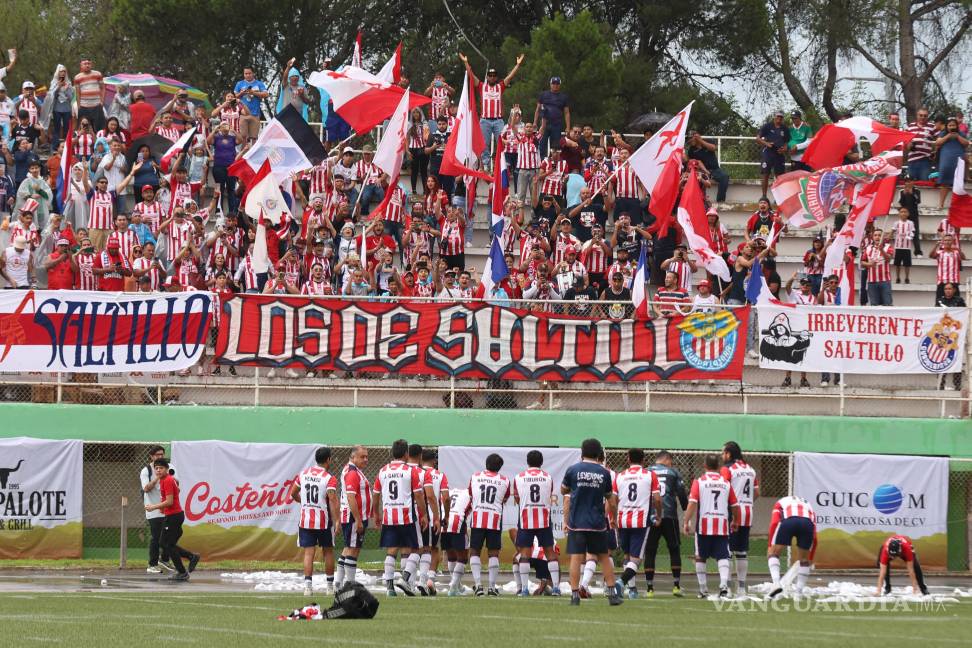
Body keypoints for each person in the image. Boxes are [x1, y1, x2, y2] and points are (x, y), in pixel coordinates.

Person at [561, 438, 623, 606]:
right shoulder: (604, 473)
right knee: (604, 557)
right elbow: (611, 499)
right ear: (598, 454)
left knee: (576, 557)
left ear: (582, 452)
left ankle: (574, 595)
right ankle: (612, 594)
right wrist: (614, 518)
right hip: (597, 523)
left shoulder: (573, 470)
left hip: (577, 522)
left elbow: (563, 490)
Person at [373, 439, 428, 597]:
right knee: (418, 548)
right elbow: (418, 495)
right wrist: (423, 515)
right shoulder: (411, 471)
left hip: (389, 515)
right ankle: (404, 579)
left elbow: (375, 495)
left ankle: (390, 588)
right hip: (406, 516)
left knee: (391, 550)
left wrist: (376, 514)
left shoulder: (383, 470)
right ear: (406, 454)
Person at [683, 453, 740, 598]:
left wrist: (686, 521)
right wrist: (736, 520)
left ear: (705, 466)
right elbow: (735, 505)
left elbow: (692, 503)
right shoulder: (726, 483)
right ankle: (723, 586)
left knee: (700, 557)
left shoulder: (699, 481)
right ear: (719, 466)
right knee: (723, 557)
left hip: (704, 525)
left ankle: (703, 589)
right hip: (721, 525)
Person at [458, 52, 525, 167]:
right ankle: (486, 165)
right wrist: (465, 62)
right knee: (484, 144)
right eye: (490, 75)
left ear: (496, 77)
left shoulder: (500, 86)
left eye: (494, 75)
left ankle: (501, 164)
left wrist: (517, 65)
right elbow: (471, 75)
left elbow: (510, 77)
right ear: (487, 77)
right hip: (485, 120)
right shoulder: (481, 86)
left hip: (498, 120)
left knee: (502, 142)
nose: (492, 77)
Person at [290, 446, 340, 596]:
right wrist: (337, 520)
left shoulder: (303, 474)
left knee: (308, 553)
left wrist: (304, 502)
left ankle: (307, 587)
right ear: (328, 460)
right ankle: (330, 587)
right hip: (323, 521)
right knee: (328, 552)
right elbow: (332, 499)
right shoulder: (329, 478)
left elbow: (293, 493)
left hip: (306, 521)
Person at [612, 449, 661, 599]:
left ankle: (632, 590)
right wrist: (659, 515)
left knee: (627, 556)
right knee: (636, 559)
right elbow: (657, 499)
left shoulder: (620, 476)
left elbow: (613, 501)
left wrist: (613, 518)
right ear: (643, 460)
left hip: (622, 520)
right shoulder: (650, 475)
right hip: (640, 521)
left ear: (628, 459)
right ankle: (621, 582)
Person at [512, 450, 560, 597]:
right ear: (541, 462)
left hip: (526, 519)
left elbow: (517, 498)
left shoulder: (519, 477)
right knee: (550, 552)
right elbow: (549, 495)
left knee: (524, 553)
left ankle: (524, 589)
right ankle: (557, 589)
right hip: (543, 519)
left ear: (527, 462)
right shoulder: (548, 477)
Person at [143, 457, 199, 581]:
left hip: (174, 516)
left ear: (167, 469)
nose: (158, 470)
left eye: (161, 468)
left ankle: (183, 569)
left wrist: (154, 507)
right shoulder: (165, 480)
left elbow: (169, 501)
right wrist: (163, 509)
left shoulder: (167, 480)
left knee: (166, 544)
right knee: (167, 544)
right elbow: (175, 493)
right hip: (173, 515)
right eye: (156, 468)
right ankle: (190, 559)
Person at [643, 451, 688, 597]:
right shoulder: (673, 472)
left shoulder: (647, 471)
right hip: (669, 515)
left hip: (652, 516)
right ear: (667, 460)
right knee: (674, 549)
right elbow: (681, 493)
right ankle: (676, 586)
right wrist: (686, 511)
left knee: (650, 551)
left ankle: (649, 588)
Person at [467, 453, 510, 597]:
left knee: (474, 551)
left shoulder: (475, 476)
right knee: (493, 553)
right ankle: (491, 587)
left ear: (486, 463)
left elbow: (471, 494)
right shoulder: (505, 480)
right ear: (499, 467)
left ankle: (478, 585)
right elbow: (504, 499)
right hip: (494, 519)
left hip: (478, 518)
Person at [720, 441, 760, 595]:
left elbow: (723, 489)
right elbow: (756, 493)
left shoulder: (727, 469)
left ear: (729, 454)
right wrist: (746, 502)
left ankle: (729, 588)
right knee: (742, 551)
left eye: (723, 453)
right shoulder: (750, 469)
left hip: (732, 512)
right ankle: (742, 588)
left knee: (728, 551)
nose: (722, 456)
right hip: (747, 512)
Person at [333, 445, 370, 590]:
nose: (365, 459)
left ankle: (338, 583)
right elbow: (350, 497)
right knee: (353, 550)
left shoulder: (352, 470)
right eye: (362, 457)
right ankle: (350, 585)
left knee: (348, 549)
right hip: (354, 517)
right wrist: (358, 519)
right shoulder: (352, 472)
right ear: (353, 457)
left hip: (352, 516)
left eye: (366, 456)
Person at [766, 495, 817, 599]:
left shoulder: (780, 502)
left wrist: (770, 545)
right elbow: (815, 534)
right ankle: (798, 593)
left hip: (789, 521)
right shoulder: (808, 505)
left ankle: (776, 584)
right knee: (804, 560)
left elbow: (774, 523)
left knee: (773, 553)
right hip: (807, 524)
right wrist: (811, 557)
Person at [139, 446, 173, 574]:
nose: (160, 457)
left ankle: (164, 559)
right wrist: (158, 476)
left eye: (162, 454)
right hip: (153, 508)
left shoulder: (170, 467)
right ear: (151, 456)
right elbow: (146, 488)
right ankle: (152, 564)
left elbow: (176, 484)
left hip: (168, 508)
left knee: (171, 535)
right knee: (156, 537)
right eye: (157, 455)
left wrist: (169, 477)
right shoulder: (146, 471)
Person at [443, 480, 472, 597]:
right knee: (463, 557)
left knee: (451, 556)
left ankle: (457, 585)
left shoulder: (450, 492)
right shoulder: (470, 495)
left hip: (445, 523)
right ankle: (454, 587)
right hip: (457, 523)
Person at [934, 117, 969, 208]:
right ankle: (941, 204)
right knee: (944, 183)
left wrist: (957, 136)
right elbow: (938, 143)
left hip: (958, 162)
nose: (952, 127)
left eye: (953, 125)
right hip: (946, 162)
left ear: (957, 126)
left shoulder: (961, 134)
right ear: (947, 126)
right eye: (950, 125)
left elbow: (966, 143)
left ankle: (957, 206)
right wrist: (948, 136)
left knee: (958, 184)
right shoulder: (943, 133)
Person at [686, 131, 728, 203]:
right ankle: (699, 201)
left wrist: (701, 141)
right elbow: (696, 162)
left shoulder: (707, 141)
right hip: (702, 171)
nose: (689, 141)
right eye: (688, 139)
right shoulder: (691, 150)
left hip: (715, 170)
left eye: (691, 138)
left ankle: (720, 201)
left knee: (724, 177)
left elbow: (713, 148)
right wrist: (705, 171)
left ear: (696, 136)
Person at [756, 111, 790, 197]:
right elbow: (758, 138)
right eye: (778, 116)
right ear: (774, 117)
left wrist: (785, 148)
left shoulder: (784, 128)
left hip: (779, 153)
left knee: (779, 176)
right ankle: (764, 196)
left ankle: (779, 198)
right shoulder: (767, 126)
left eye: (781, 117)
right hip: (768, 152)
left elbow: (787, 141)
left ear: (783, 118)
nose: (779, 118)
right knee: (765, 174)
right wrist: (766, 143)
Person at [534, 77, 570, 156]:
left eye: (557, 84)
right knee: (541, 145)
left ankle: (554, 164)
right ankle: (541, 164)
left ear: (560, 85)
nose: (555, 85)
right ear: (550, 84)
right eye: (553, 83)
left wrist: (568, 127)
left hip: (557, 124)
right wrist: (535, 122)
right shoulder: (543, 94)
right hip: (544, 124)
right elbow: (537, 109)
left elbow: (566, 112)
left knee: (556, 146)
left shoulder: (563, 97)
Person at [234, 66, 269, 141]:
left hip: (255, 114)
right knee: (243, 137)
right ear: (243, 74)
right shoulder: (239, 83)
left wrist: (253, 93)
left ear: (253, 73)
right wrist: (242, 93)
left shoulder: (259, 83)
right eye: (246, 73)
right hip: (243, 114)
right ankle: (244, 153)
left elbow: (266, 94)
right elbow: (236, 96)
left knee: (254, 137)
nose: (248, 75)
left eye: (249, 73)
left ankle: (253, 152)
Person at [862, 228, 893, 306]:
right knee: (874, 306)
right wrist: (869, 264)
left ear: (883, 237)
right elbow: (862, 262)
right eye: (875, 235)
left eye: (879, 235)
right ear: (873, 237)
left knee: (887, 304)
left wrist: (882, 250)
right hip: (872, 282)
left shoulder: (888, 247)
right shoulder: (868, 248)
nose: (877, 237)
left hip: (885, 281)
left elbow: (889, 259)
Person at [73, 59, 105, 132]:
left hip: (96, 105)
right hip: (84, 106)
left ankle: (99, 142)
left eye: (89, 63)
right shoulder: (77, 77)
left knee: (99, 128)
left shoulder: (98, 74)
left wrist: (102, 101)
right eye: (85, 64)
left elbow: (102, 88)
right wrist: (78, 106)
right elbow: (77, 92)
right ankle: (85, 142)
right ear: (81, 66)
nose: (87, 65)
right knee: (84, 128)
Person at [905, 107, 936, 181]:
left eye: (925, 116)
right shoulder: (910, 126)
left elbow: (939, 139)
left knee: (925, 184)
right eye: (921, 115)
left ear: (927, 116)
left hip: (925, 160)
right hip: (912, 160)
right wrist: (908, 145)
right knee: (910, 184)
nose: (923, 117)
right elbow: (905, 141)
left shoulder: (932, 126)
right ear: (917, 115)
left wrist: (936, 151)